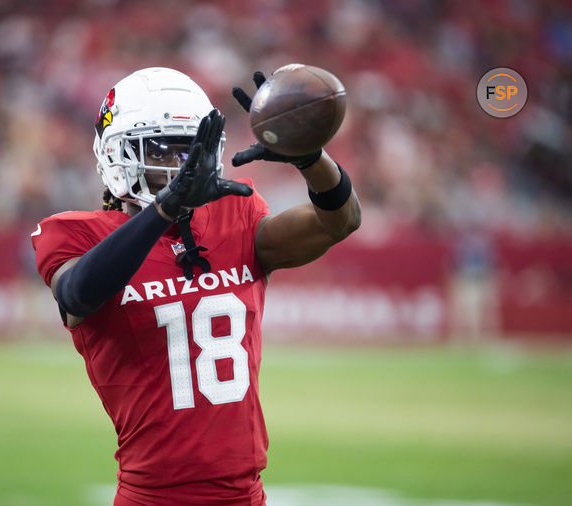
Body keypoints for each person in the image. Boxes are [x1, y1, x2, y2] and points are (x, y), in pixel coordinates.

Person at [31, 67, 361, 505]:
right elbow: (76, 297)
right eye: (162, 149)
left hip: (246, 495)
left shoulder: (234, 214)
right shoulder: (75, 234)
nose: (179, 165)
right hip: (152, 496)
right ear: (116, 154)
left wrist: (309, 158)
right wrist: (167, 208)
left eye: (190, 150)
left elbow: (339, 222)